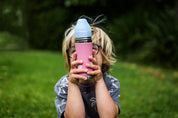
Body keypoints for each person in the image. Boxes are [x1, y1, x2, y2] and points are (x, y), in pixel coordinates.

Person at [54, 16, 120, 118]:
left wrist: (99, 81)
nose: (83, 55)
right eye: (74, 50)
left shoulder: (111, 83)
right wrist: (73, 84)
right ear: (69, 59)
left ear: (105, 56)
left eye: (92, 48)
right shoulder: (64, 86)